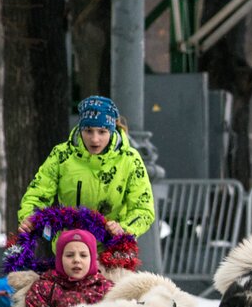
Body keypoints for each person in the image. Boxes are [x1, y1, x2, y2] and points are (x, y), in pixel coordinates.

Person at [18, 95, 155, 238]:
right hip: (71, 247)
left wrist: (124, 229)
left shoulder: (130, 159)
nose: (95, 139)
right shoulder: (61, 155)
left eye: (102, 132)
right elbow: (37, 195)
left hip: (112, 250)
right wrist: (30, 218)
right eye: (88, 131)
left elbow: (143, 208)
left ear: (112, 130)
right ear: (80, 129)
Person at [24, 229, 114, 307]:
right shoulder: (44, 288)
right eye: (69, 255)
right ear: (60, 258)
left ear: (92, 259)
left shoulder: (105, 288)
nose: (76, 260)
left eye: (83, 255)